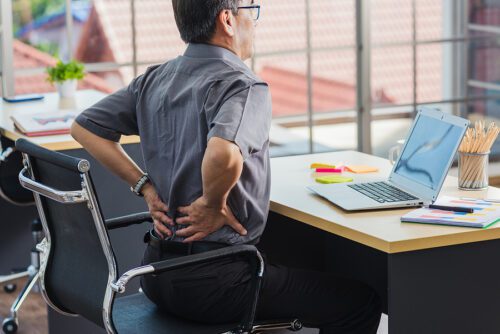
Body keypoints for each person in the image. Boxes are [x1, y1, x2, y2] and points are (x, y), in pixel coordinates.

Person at [71, 0, 382, 332]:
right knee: (359, 302)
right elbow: (221, 154)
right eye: (251, 9)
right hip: (215, 283)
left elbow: (84, 127)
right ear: (227, 20)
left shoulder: (155, 78)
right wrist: (212, 203)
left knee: (291, 266)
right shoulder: (243, 85)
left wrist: (144, 187)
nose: (255, 21)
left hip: (156, 275)